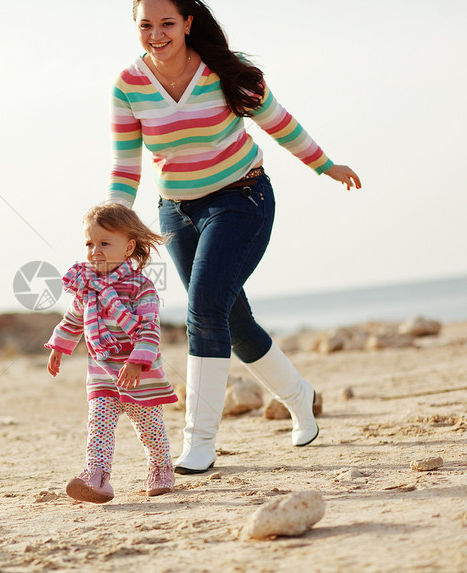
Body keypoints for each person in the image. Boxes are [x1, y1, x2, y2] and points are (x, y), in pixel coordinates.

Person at [107, 0, 363, 475]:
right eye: (146, 25)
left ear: (187, 22)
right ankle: (299, 396)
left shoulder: (226, 71)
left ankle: (199, 443)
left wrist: (326, 165)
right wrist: (113, 221)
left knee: (203, 309)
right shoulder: (128, 85)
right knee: (232, 320)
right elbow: (126, 164)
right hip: (177, 213)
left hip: (240, 199)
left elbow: (279, 122)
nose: (156, 34)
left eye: (167, 23)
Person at [46, 203, 178, 503]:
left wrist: (136, 362)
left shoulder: (140, 288)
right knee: (99, 427)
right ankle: (97, 477)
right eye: (90, 244)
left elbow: (149, 330)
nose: (96, 251)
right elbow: (72, 320)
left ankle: (160, 468)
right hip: (102, 373)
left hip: (137, 374)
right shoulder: (87, 288)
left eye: (105, 243)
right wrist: (58, 347)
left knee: (150, 428)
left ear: (129, 246)